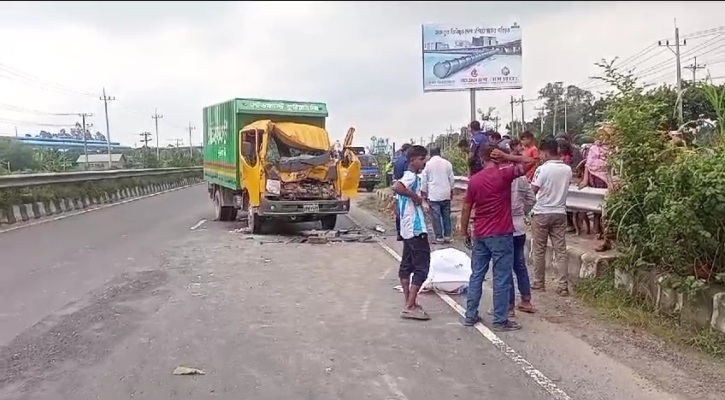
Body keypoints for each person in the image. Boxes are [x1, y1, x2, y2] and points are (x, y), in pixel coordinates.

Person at [460, 145, 535, 331]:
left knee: (477, 274)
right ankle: (500, 320)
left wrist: (464, 231)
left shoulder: (474, 180)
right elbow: (532, 161)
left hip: (480, 233)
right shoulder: (504, 174)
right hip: (501, 233)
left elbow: (466, 208)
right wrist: (508, 156)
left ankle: (470, 315)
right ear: (497, 157)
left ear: (481, 159)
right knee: (501, 277)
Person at [393, 145, 431, 320]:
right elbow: (398, 187)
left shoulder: (409, 176)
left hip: (407, 228)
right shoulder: (410, 177)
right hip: (415, 229)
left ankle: (409, 301)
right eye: (422, 159)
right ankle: (409, 305)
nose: (424, 162)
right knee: (422, 268)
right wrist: (415, 197)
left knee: (406, 266)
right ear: (412, 160)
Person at [530, 138, 573, 296]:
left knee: (539, 250)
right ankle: (563, 285)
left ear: (546, 152)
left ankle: (538, 282)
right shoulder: (567, 169)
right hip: (560, 213)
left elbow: (533, 191)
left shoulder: (542, 169)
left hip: (541, 212)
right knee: (560, 250)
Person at [421, 146, 455, 243]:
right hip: (445, 193)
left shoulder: (428, 165)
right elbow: (451, 179)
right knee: (446, 215)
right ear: (439, 153)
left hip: (434, 194)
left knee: (436, 217)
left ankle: (439, 237)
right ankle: (447, 236)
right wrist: (451, 190)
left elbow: (424, 181)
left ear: (430, 154)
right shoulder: (447, 163)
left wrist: (424, 193)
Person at [392, 144, 411, 241]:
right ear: (406, 150)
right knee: (406, 211)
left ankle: (399, 233)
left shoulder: (397, 161)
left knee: (399, 211)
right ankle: (405, 233)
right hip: (404, 188)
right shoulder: (406, 161)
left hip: (397, 186)